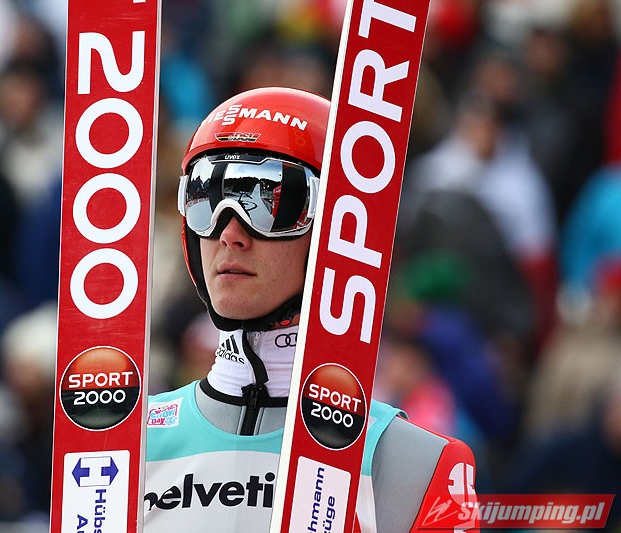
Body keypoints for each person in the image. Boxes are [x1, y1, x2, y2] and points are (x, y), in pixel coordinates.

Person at [144, 87, 479, 532]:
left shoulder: (415, 466)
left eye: (269, 202)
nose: (229, 234)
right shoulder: (126, 446)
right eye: (205, 198)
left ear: (334, 228)